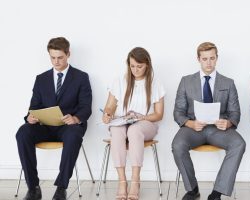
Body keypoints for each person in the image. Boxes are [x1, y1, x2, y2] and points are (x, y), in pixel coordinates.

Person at [15, 37, 92, 200]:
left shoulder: (81, 77)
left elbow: (86, 107)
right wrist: (30, 117)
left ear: (68, 54)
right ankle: (33, 187)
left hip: (68, 127)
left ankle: (61, 188)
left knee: (73, 135)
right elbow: (34, 106)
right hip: (44, 126)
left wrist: (76, 118)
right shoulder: (41, 79)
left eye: (60, 57)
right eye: (52, 58)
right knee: (22, 133)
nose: (56, 62)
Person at [172, 42, 246, 200]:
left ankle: (217, 193)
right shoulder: (186, 81)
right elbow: (178, 112)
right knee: (177, 145)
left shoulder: (228, 83)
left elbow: (235, 113)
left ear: (217, 58)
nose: (209, 62)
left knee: (239, 144)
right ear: (198, 59)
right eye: (204, 59)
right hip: (193, 128)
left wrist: (228, 123)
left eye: (212, 58)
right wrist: (190, 123)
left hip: (218, 129)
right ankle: (192, 189)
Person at [102, 47, 165, 200]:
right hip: (123, 122)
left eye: (139, 66)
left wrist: (142, 117)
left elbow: (158, 114)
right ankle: (122, 181)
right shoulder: (119, 81)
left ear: (147, 65)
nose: (135, 70)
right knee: (116, 131)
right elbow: (110, 105)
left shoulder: (155, 83)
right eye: (132, 66)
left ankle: (135, 180)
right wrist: (107, 114)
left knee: (134, 130)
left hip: (146, 124)